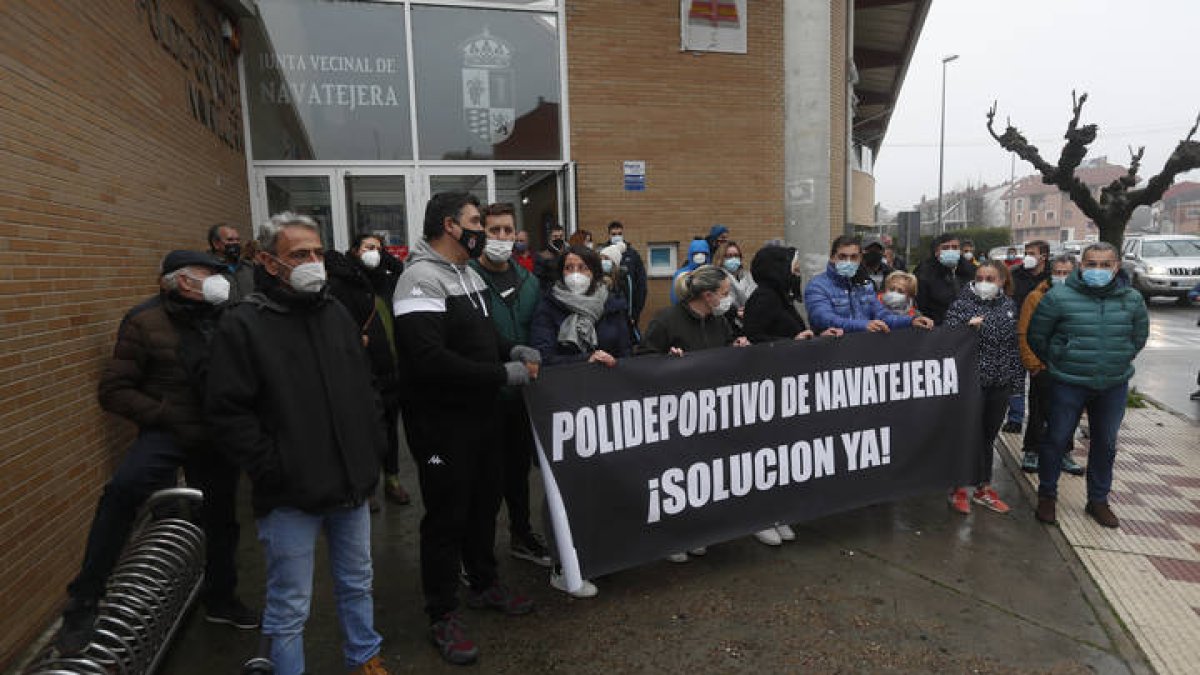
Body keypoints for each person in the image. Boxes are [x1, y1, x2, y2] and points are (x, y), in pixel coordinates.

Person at [206, 214, 389, 675]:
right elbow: (229, 412)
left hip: (350, 484)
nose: (313, 263)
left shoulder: (335, 313)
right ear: (268, 262)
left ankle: (364, 658)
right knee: (289, 605)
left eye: (317, 253)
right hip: (290, 495)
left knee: (358, 583)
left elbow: (366, 387)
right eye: (298, 255)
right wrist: (275, 467)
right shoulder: (244, 325)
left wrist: (372, 449)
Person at [56, 251, 255, 655]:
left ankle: (221, 597)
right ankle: (84, 602)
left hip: (215, 434)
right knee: (121, 494)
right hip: (168, 432)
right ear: (183, 281)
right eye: (211, 273)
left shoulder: (226, 317)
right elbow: (113, 391)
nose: (221, 280)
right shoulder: (143, 322)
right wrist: (164, 415)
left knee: (221, 519)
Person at [391, 192, 541, 665]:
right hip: (440, 427)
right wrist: (502, 374)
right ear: (451, 226)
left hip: (482, 419)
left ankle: (484, 584)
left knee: (483, 504)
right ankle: (443, 614)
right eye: (477, 222)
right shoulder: (419, 279)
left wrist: (510, 350)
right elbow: (427, 359)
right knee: (446, 516)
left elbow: (482, 335)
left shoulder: (467, 274)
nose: (488, 232)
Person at [1027, 242, 1149, 528]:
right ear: (1082, 266)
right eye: (1091, 264)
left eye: (1105, 265)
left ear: (1116, 267)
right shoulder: (1059, 297)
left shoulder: (1131, 299)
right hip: (1068, 382)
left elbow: (1138, 337)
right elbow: (1037, 335)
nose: (1098, 270)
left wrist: (1117, 359)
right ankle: (1047, 496)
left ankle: (1098, 500)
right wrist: (1058, 359)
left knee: (1105, 444)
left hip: (1113, 384)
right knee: (1056, 439)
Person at [641, 265, 755, 556]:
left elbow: (725, 346)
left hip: (710, 415)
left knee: (702, 477)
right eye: (725, 294)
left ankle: (696, 532)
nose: (728, 299)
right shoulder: (666, 321)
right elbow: (641, 360)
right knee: (676, 479)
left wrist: (737, 345)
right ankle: (672, 539)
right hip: (675, 418)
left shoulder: (719, 321)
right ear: (707, 295)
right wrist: (665, 361)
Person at [468, 203, 551, 569]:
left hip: (523, 396)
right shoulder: (465, 278)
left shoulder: (528, 280)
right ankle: (475, 555)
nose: (502, 238)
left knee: (518, 473)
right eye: (493, 231)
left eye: (507, 231)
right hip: (483, 393)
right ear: (480, 234)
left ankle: (522, 534)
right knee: (483, 481)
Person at [324, 234, 411, 510]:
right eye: (368, 248)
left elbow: (400, 272)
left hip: (392, 368)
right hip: (364, 370)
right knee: (368, 430)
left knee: (391, 430)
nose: (374, 253)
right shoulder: (344, 283)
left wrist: (385, 257)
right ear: (355, 251)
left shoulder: (385, 281)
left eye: (378, 248)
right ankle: (369, 484)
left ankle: (393, 479)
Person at [943, 261, 1024, 516]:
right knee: (967, 436)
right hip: (971, 384)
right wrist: (965, 329)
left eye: (990, 278)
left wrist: (1016, 385)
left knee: (988, 438)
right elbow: (946, 339)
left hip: (999, 383)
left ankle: (983, 487)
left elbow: (1013, 347)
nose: (984, 282)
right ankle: (958, 489)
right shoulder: (962, 304)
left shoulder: (1009, 306)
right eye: (980, 277)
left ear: (1001, 281)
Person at [1016, 254, 1084, 476]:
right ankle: (1032, 450)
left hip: (1073, 367)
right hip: (1043, 365)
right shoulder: (1036, 297)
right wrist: (1033, 364)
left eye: (1067, 273)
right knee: (1038, 411)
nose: (1062, 277)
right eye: (1058, 273)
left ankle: (1064, 452)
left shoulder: (1082, 298)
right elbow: (1024, 331)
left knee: (1069, 413)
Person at [804, 235, 934, 334]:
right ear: (832, 257)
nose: (848, 261)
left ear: (860, 259)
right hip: (833, 355)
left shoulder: (865, 285)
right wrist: (863, 325)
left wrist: (911, 321)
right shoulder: (817, 286)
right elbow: (824, 319)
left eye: (854, 257)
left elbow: (882, 315)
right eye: (843, 257)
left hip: (864, 353)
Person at [530, 245, 632, 367]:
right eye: (569, 268)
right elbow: (543, 356)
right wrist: (586, 360)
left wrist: (614, 362)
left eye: (583, 268)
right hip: (565, 381)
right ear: (561, 272)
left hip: (608, 380)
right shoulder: (548, 306)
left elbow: (626, 352)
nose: (575, 274)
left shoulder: (613, 305)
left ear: (594, 272)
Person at [1003, 240, 1052, 433]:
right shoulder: (1015, 275)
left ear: (1043, 257)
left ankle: (1040, 420)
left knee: (1040, 380)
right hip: (1016, 332)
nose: (1027, 257)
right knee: (1015, 379)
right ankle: (1015, 417)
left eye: (1032, 253)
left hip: (1042, 336)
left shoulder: (1051, 279)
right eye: (1026, 252)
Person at [743, 245, 829, 345]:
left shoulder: (780, 296)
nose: (798, 276)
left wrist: (820, 337)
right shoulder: (764, 298)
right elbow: (754, 338)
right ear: (780, 271)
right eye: (795, 271)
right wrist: (791, 342)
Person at [914, 233, 974, 324]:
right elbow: (920, 305)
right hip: (937, 328)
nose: (951, 251)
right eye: (945, 248)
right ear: (936, 252)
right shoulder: (924, 273)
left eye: (954, 247)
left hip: (967, 328)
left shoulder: (970, 270)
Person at [603, 221, 648, 329]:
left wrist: (635, 313)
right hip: (608, 310)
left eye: (619, 234)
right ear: (609, 235)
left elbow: (641, 284)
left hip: (629, 311)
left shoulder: (632, 255)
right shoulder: (603, 255)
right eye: (614, 234)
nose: (617, 237)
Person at [208, 223, 256, 301]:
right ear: (216, 244)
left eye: (238, 240)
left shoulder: (250, 267)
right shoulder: (206, 269)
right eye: (230, 240)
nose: (236, 243)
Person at [671, 238, 713, 303]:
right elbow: (675, 296)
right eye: (696, 253)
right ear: (691, 254)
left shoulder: (712, 272)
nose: (700, 256)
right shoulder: (681, 274)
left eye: (703, 253)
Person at [534, 223, 567, 289]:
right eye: (555, 236)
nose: (558, 239)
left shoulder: (568, 253)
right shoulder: (542, 256)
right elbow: (539, 280)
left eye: (561, 236)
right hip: (550, 293)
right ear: (549, 238)